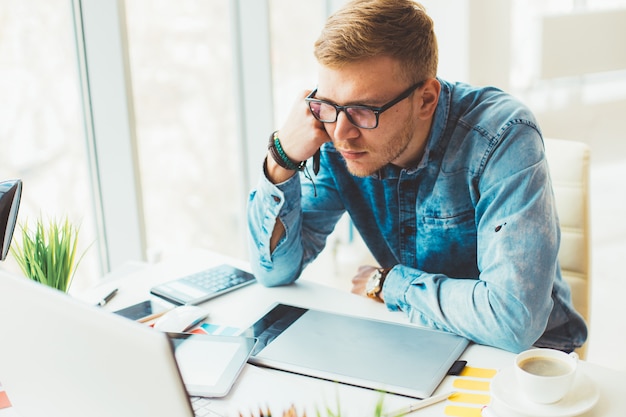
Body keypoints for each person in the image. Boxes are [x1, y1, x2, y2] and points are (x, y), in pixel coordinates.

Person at [247, 0, 587, 353]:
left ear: (426, 99)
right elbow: (273, 272)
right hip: (417, 337)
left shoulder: (502, 136)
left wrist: (393, 284)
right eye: (328, 105)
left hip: (528, 362)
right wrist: (281, 157)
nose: (341, 132)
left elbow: (513, 320)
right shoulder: (337, 134)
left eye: (363, 110)